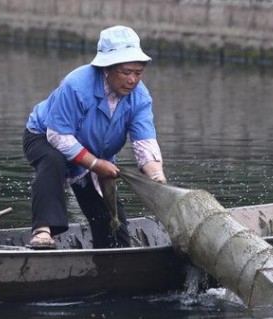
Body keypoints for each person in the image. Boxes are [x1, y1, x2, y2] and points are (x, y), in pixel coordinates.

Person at [22, 25, 167, 249]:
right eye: (126, 72)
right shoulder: (77, 85)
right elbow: (58, 135)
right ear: (106, 69)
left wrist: (157, 176)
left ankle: (112, 254)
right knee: (53, 161)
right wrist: (96, 164)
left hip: (94, 152)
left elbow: (144, 143)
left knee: (111, 222)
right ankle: (43, 231)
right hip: (45, 136)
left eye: (138, 73)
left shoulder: (140, 97)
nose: (132, 80)